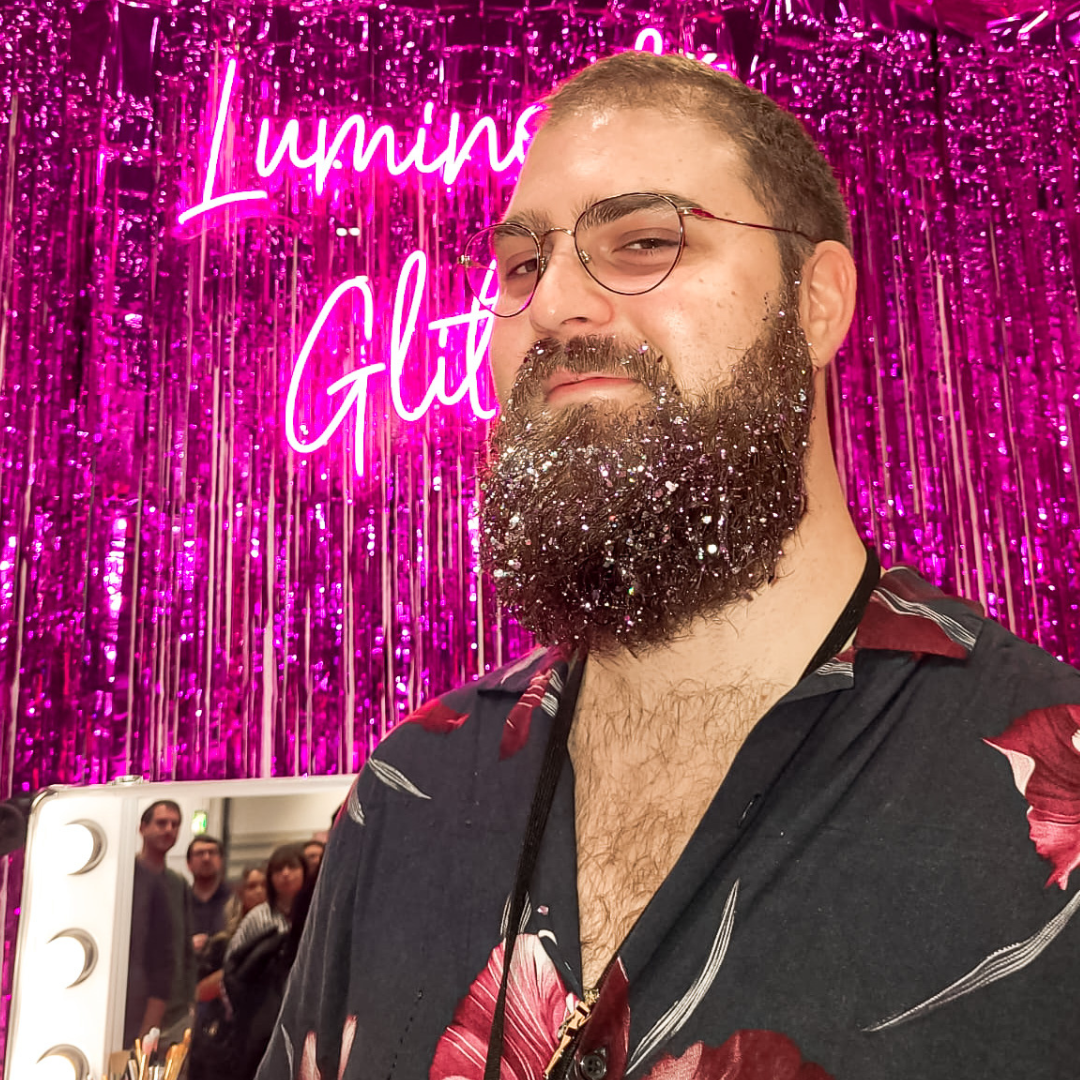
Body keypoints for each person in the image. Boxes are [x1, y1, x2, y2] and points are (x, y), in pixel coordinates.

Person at [257, 51, 1080, 1080]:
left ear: (818, 301)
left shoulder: (1061, 793)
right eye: (521, 267)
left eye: (643, 242)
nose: (553, 304)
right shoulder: (408, 796)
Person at [224, 846, 310, 1079]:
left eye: (291, 867)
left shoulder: (315, 916)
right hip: (262, 1019)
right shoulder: (258, 917)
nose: (285, 874)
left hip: (304, 1015)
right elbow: (231, 966)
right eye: (278, 869)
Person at [188, 865, 268, 1080]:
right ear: (242, 893)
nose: (259, 891)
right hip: (225, 1032)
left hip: (264, 1029)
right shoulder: (222, 944)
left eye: (264, 885)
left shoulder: (284, 933)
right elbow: (199, 992)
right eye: (252, 886)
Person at [137, 799, 196, 1048]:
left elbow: (185, 945)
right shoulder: (128, 877)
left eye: (175, 824)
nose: (169, 829)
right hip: (136, 1002)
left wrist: (190, 998)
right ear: (143, 827)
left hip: (176, 1008)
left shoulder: (177, 882)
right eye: (162, 823)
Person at [187, 835, 230, 951]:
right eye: (199, 853)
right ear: (188, 864)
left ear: (221, 861)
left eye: (212, 852)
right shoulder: (178, 902)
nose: (206, 858)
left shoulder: (236, 901)